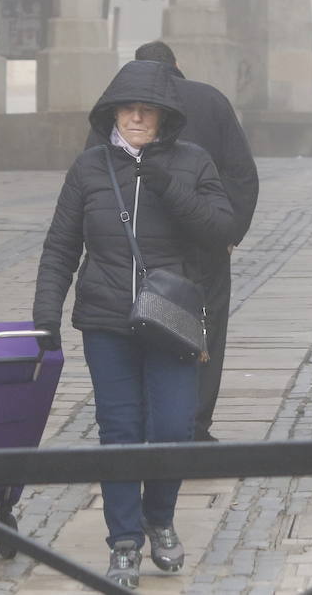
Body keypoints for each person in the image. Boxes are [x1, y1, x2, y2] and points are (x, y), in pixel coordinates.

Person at [35, 59, 234, 589]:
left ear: (166, 117)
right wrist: (45, 315)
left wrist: (167, 182)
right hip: (106, 319)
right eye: (129, 108)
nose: (138, 117)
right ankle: (124, 541)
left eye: (148, 110)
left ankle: (159, 517)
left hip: (170, 319)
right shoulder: (90, 168)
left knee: (172, 428)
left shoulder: (192, 162)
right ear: (112, 113)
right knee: (120, 430)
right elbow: (60, 246)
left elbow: (221, 229)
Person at [87, 40, 259, 443]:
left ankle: (149, 420)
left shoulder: (121, 105)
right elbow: (242, 175)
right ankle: (193, 425)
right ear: (177, 65)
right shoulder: (211, 100)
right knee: (204, 330)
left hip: (137, 249)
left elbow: (95, 174)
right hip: (205, 244)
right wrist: (231, 234)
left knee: (140, 328)